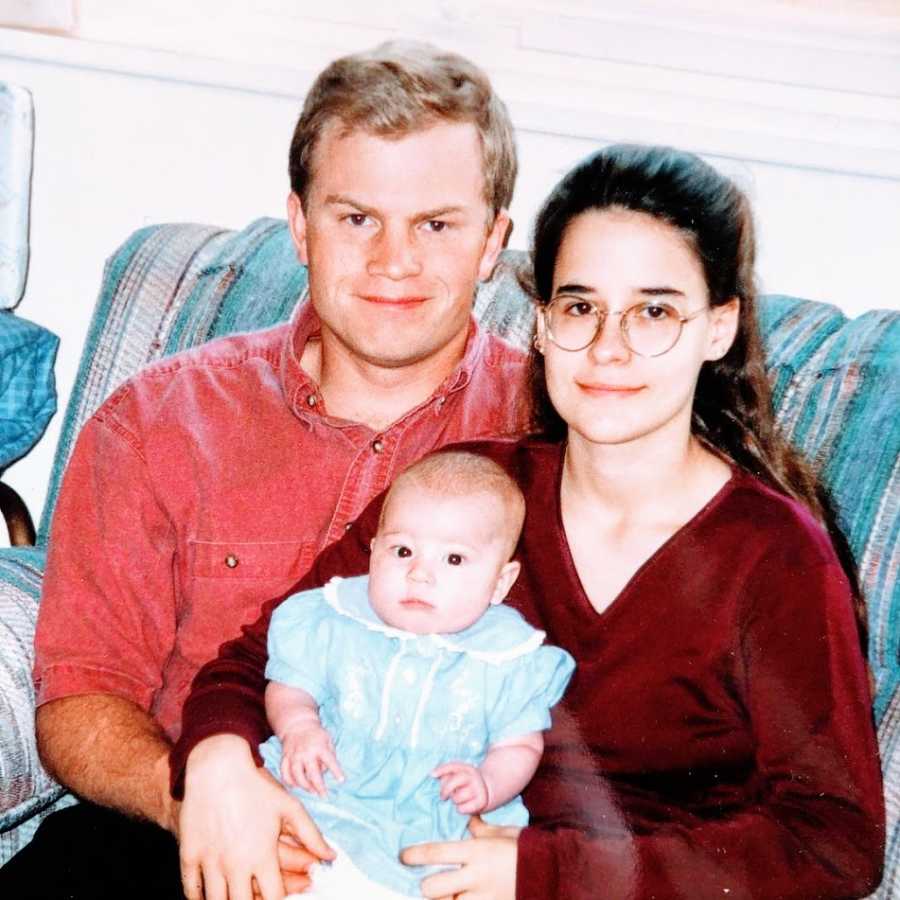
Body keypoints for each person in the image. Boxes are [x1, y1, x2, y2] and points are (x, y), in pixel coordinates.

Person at [172, 143, 885, 900]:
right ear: (542, 324)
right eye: (580, 307)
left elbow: (834, 843)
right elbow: (258, 658)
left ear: (719, 329)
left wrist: (543, 873)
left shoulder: (772, 555)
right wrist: (216, 759)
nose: (609, 348)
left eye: (654, 311)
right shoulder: (474, 495)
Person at [1, 41, 530, 900]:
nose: (394, 260)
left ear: (491, 243)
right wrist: (194, 798)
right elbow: (81, 699)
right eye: (356, 218)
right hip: (181, 835)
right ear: (300, 225)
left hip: (430, 861)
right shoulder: (158, 422)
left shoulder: (556, 434)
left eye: (435, 225)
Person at [262, 450, 574, 897]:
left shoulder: (508, 658)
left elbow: (519, 743)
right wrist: (299, 727)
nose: (420, 573)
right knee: (291, 866)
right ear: (373, 554)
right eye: (403, 550)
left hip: (437, 810)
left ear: (501, 582)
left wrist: (487, 783)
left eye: (454, 559)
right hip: (329, 788)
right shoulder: (335, 619)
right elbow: (291, 685)